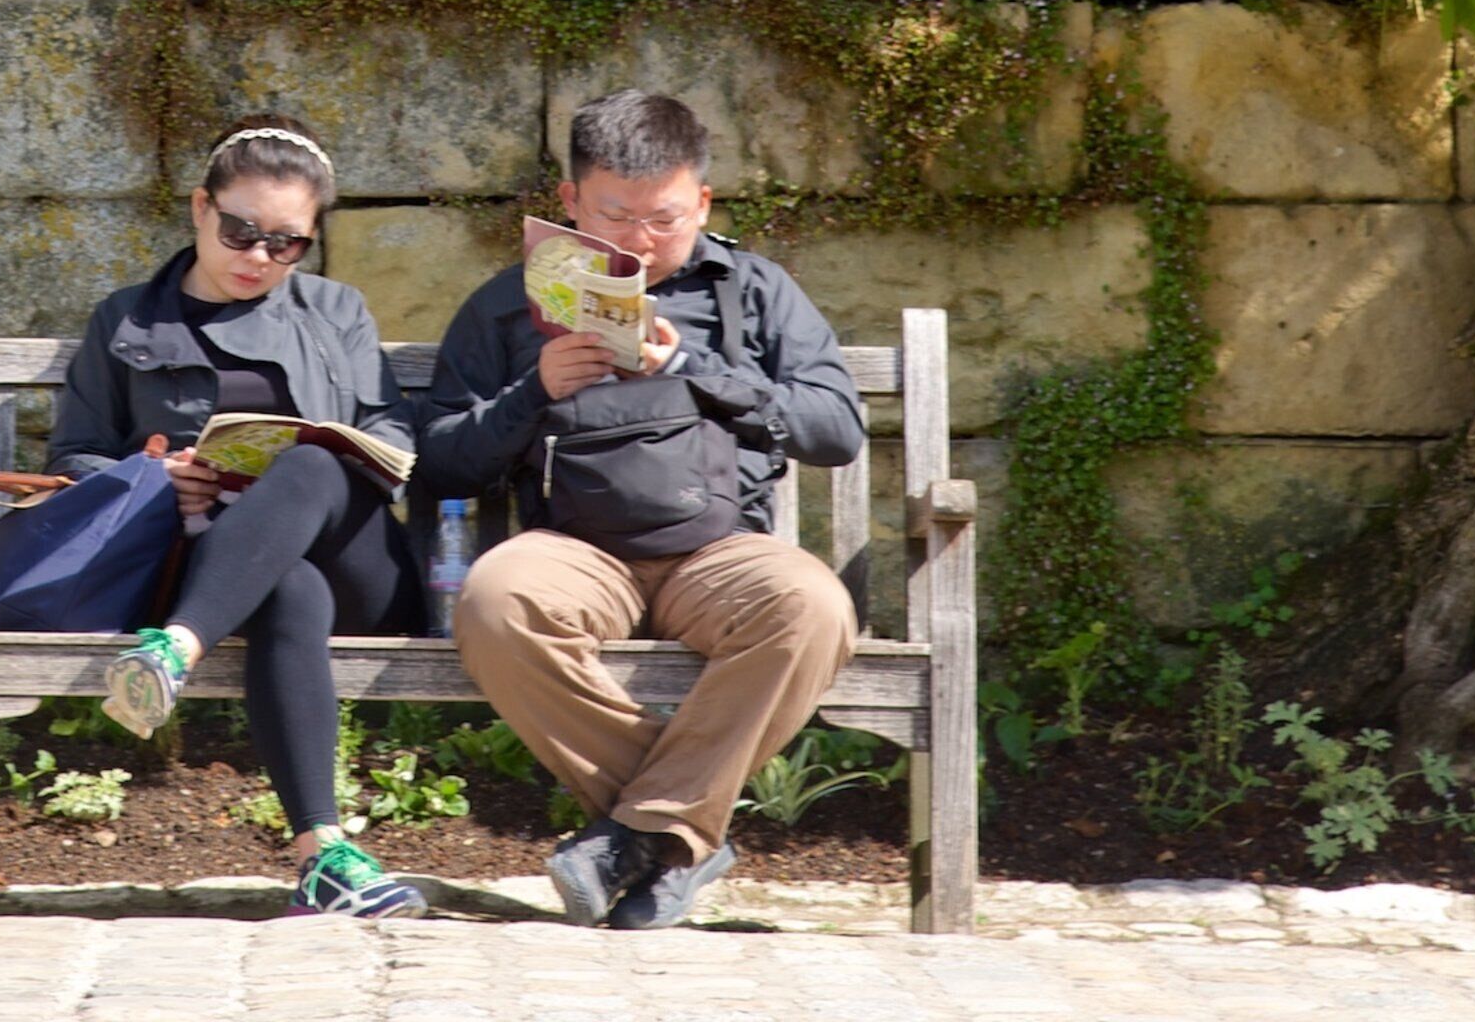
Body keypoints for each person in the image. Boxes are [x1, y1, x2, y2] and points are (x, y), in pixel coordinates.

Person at [414, 90, 865, 931]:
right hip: (577, 549)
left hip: (721, 551)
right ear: (570, 202)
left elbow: (837, 429)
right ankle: (680, 830)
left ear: (702, 201)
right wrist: (531, 394)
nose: (638, 242)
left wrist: (698, 368)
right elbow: (440, 457)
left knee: (811, 606)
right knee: (496, 600)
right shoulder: (509, 305)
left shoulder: (753, 292)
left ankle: (636, 834)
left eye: (663, 219)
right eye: (615, 216)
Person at [48, 114, 429, 919]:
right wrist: (157, 479)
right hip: (215, 567)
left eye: (287, 242)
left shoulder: (338, 312)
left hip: (357, 567)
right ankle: (322, 856)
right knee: (285, 588)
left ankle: (174, 651)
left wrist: (354, 454)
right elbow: (73, 457)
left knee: (313, 460)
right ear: (199, 209)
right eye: (242, 231)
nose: (259, 257)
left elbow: (392, 429)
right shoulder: (127, 321)